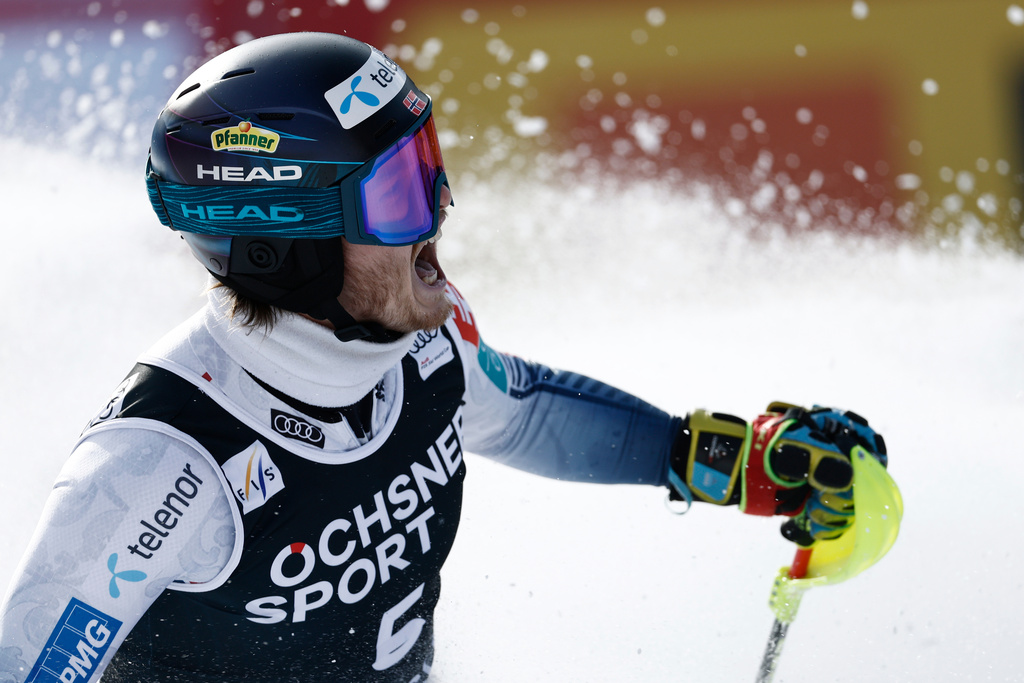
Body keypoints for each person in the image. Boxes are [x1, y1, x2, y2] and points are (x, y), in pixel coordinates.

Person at [0, 32, 887, 683]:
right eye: (396, 193)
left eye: (427, 168)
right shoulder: (158, 464)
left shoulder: (422, 343)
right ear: (287, 242)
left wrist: (730, 462)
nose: (438, 211)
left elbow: (525, 412)